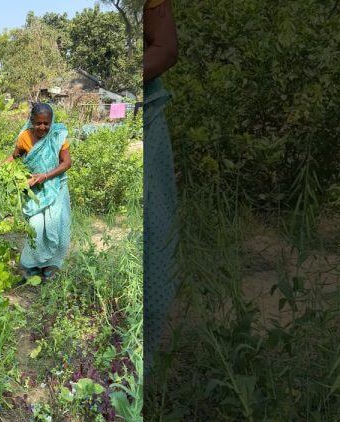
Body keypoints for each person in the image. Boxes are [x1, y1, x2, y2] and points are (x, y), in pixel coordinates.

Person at [0, 102, 72, 282]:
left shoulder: (57, 135)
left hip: (56, 186)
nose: (42, 127)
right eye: (38, 123)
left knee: (56, 227)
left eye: (46, 123)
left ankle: (51, 265)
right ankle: (32, 265)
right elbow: (14, 157)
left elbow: (66, 163)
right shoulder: (24, 137)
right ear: (31, 121)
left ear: (51, 121)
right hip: (34, 188)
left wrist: (45, 176)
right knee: (35, 226)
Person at [144, 0, 179, 373]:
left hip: (145, 118)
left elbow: (165, 48)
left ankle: (147, 367)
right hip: (120, 117)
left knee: (153, 234)